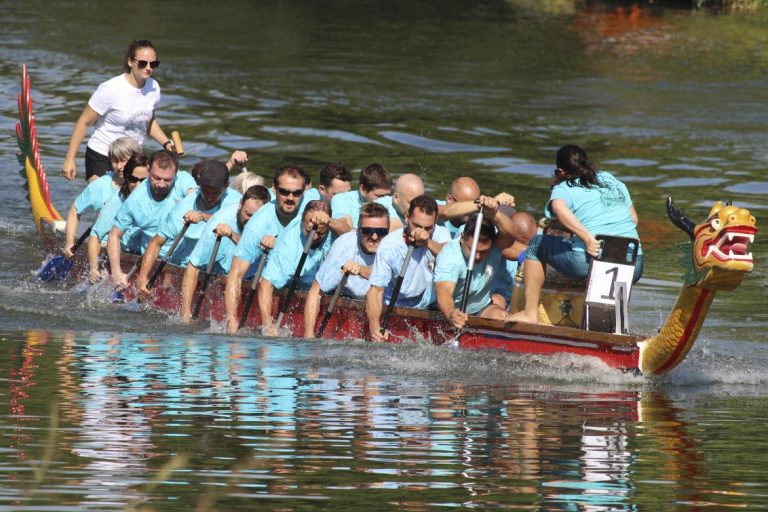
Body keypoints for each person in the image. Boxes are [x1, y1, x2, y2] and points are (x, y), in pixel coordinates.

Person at [506, 144, 643, 325]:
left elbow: (558, 208)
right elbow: (633, 220)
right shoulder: (611, 179)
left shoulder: (564, 186)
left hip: (587, 261)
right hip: (635, 263)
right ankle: (614, 325)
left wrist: (586, 237)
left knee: (535, 244)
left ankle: (529, 313)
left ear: (561, 171)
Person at [61, 40, 173, 182]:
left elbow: (149, 120)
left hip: (132, 159)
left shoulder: (154, 88)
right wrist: (70, 159)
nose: (148, 68)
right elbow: (83, 122)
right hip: (102, 156)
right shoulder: (111, 89)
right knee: (104, 200)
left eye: (154, 64)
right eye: (143, 63)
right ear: (131, 62)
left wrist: (166, 143)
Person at [136, 160, 240, 301]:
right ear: (199, 185)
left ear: (226, 186)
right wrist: (142, 279)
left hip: (225, 263)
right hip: (192, 263)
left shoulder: (237, 201)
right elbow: (156, 243)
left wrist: (203, 216)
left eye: (215, 192)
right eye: (205, 190)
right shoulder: (183, 208)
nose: (209, 196)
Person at [224, 165, 309, 333]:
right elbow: (236, 274)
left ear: (304, 191)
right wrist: (232, 319)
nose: (290, 198)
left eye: (297, 193)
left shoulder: (313, 208)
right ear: (274, 189)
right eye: (284, 192)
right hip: (272, 280)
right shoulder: (258, 223)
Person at [180, 184, 271, 322]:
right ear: (240, 204)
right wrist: (186, 312)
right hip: (225, 273)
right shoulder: (220, 221)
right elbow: (193, 266)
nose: (250, 221)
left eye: (256, 217)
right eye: (248, 214)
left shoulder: (271, 219)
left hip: (254, 276)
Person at [107, 150, 196, 289]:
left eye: (167, 180)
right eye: (156, 178)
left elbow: (199, 197)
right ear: (148, 171)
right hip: (153, 259)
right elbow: (114, 235)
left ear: (175, 175)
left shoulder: (183, 180)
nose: (161, 184)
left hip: (185, 258)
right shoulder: (136, 200)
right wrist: (117, 272)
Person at [366, 195, 451, 341]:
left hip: (428, 302)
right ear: (406, 217)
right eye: (417, 226)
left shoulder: (441, 233)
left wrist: (427, 242)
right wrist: (374, 327)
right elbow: (376, 291)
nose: (421, 232)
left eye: (428, 228)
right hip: (395, 302)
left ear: (435, 223)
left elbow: (451, 258)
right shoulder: (389, 245)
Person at [303, 202, 390, 338]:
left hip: (386, 302)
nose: (374, 237)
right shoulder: (344, 245)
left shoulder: (394, 246)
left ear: (388, 231)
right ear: (359, 229)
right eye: (368, 231)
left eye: (381, 232)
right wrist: (309, 334)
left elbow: (394, 281)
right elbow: (316, 290)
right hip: (350, 296)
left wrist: (361, 270)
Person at [434, 200, 521, 329]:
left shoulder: (495, 247)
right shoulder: (450, 257)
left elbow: (511, 234)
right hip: (449, 311)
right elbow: (443, 291)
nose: (478, 257)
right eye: (472, 250)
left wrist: (494, 213)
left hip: (482, 308)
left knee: (502, 316)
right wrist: (451, 313)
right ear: (462, 237)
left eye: (483, 252)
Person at [257, 200, 333, 336]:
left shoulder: (333, 225)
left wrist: (331, 222)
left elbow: (346, 229)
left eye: (319, 233)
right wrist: (267, 324)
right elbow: (265, 284)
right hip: (295, 283)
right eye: (308, 229)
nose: (313, 234)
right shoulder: (288, 246)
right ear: (302, 221)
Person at [63, 137, 141, 257]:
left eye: (123, 160)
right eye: (115, 161)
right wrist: (69, 243)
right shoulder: (101, 185)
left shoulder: (147, 183)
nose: (119, 166)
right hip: (107, 245)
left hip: (137, 245)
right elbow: (75, 209)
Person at [86, 154, 149, 283]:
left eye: (143, 181)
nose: (138, 185)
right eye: (133, 179)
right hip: (123, 249)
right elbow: (96, 235)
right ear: (126, 178)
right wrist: (93, 269)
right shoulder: (118, 200)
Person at [439, 176, 516, 239]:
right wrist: (482, 203)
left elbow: (512, 234)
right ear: (449, 199)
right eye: (466, 204)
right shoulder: (434, 206)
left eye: (475, 201)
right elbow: (444, 212)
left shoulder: (479, 218)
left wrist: (490, 206)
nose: (470, 210)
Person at [329, 163, 392, 236]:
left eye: (387, 195)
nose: (384, 200)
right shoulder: (342, 200)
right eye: (380, 196)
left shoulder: (391, 201)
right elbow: (345, 230)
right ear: (363, 190)